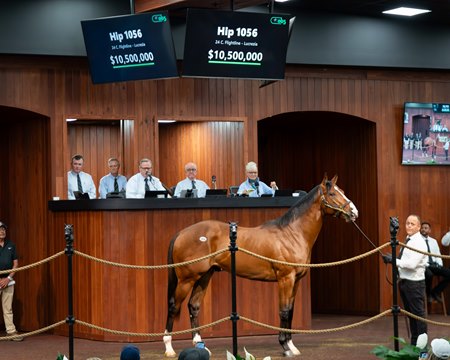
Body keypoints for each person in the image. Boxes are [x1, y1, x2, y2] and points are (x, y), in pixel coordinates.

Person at [382, 214, 428, 345]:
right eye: (407, 223)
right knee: (411, 316)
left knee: (418, 316)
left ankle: (422, 350)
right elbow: (404, 260)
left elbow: (412, 265)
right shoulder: (408, 239)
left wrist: (393, 261)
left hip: (415, 284)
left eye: (412, 224)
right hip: (404, 282)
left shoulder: (419, 242)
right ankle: (414, 345)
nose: (409, 226)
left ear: (419, 227)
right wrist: (392, 260)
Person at [0, 221, 23, 341]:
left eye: (3, 229)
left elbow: (16, 264)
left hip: (8, 281)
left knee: (7, 307)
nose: (2, 231)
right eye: (0, 229)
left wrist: (8, 278)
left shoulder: (11, 245)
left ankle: (11, 331)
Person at [420, 222, 448, 303]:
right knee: (429, 275)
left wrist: (440, 265)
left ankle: (435, 292)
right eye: (422, 228)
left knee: (449, 273)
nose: (424, 229)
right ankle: (428, 294)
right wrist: (427, 265)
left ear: (430, 230)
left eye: (426, 228)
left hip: (435, 265)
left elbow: (438, 255)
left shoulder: (433, 241)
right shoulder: (417, 241)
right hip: (425, 266)